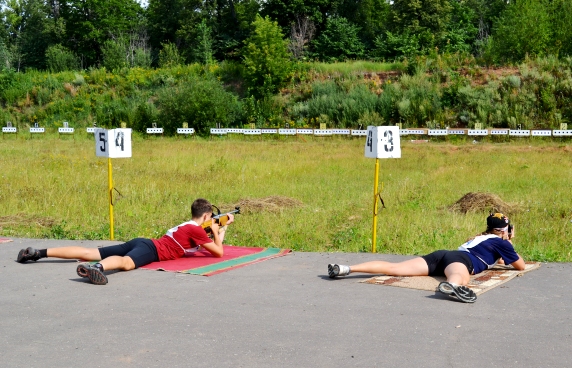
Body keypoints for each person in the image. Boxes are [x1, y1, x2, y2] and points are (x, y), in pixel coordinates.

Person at [16, 198, 235, 285]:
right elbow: (218, 253)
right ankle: (97, 269)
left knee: (88, 251)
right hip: (152, 250)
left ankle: (37, 252)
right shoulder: (196, 230)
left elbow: (215, 244)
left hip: (142, 241)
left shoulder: (188, 226)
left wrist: (220, 229)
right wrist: (217, 231)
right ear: (206, 217)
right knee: (126, 263)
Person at [328, 213, 525, 303]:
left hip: (442, 255)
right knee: (460, 277)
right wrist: (509, 241)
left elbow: (498, 260)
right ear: (505, 229)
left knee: (394, 268)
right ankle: (453, 286)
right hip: (461, 260)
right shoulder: (503, 243)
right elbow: (520, 265)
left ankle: (346, 268)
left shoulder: (481, 237)